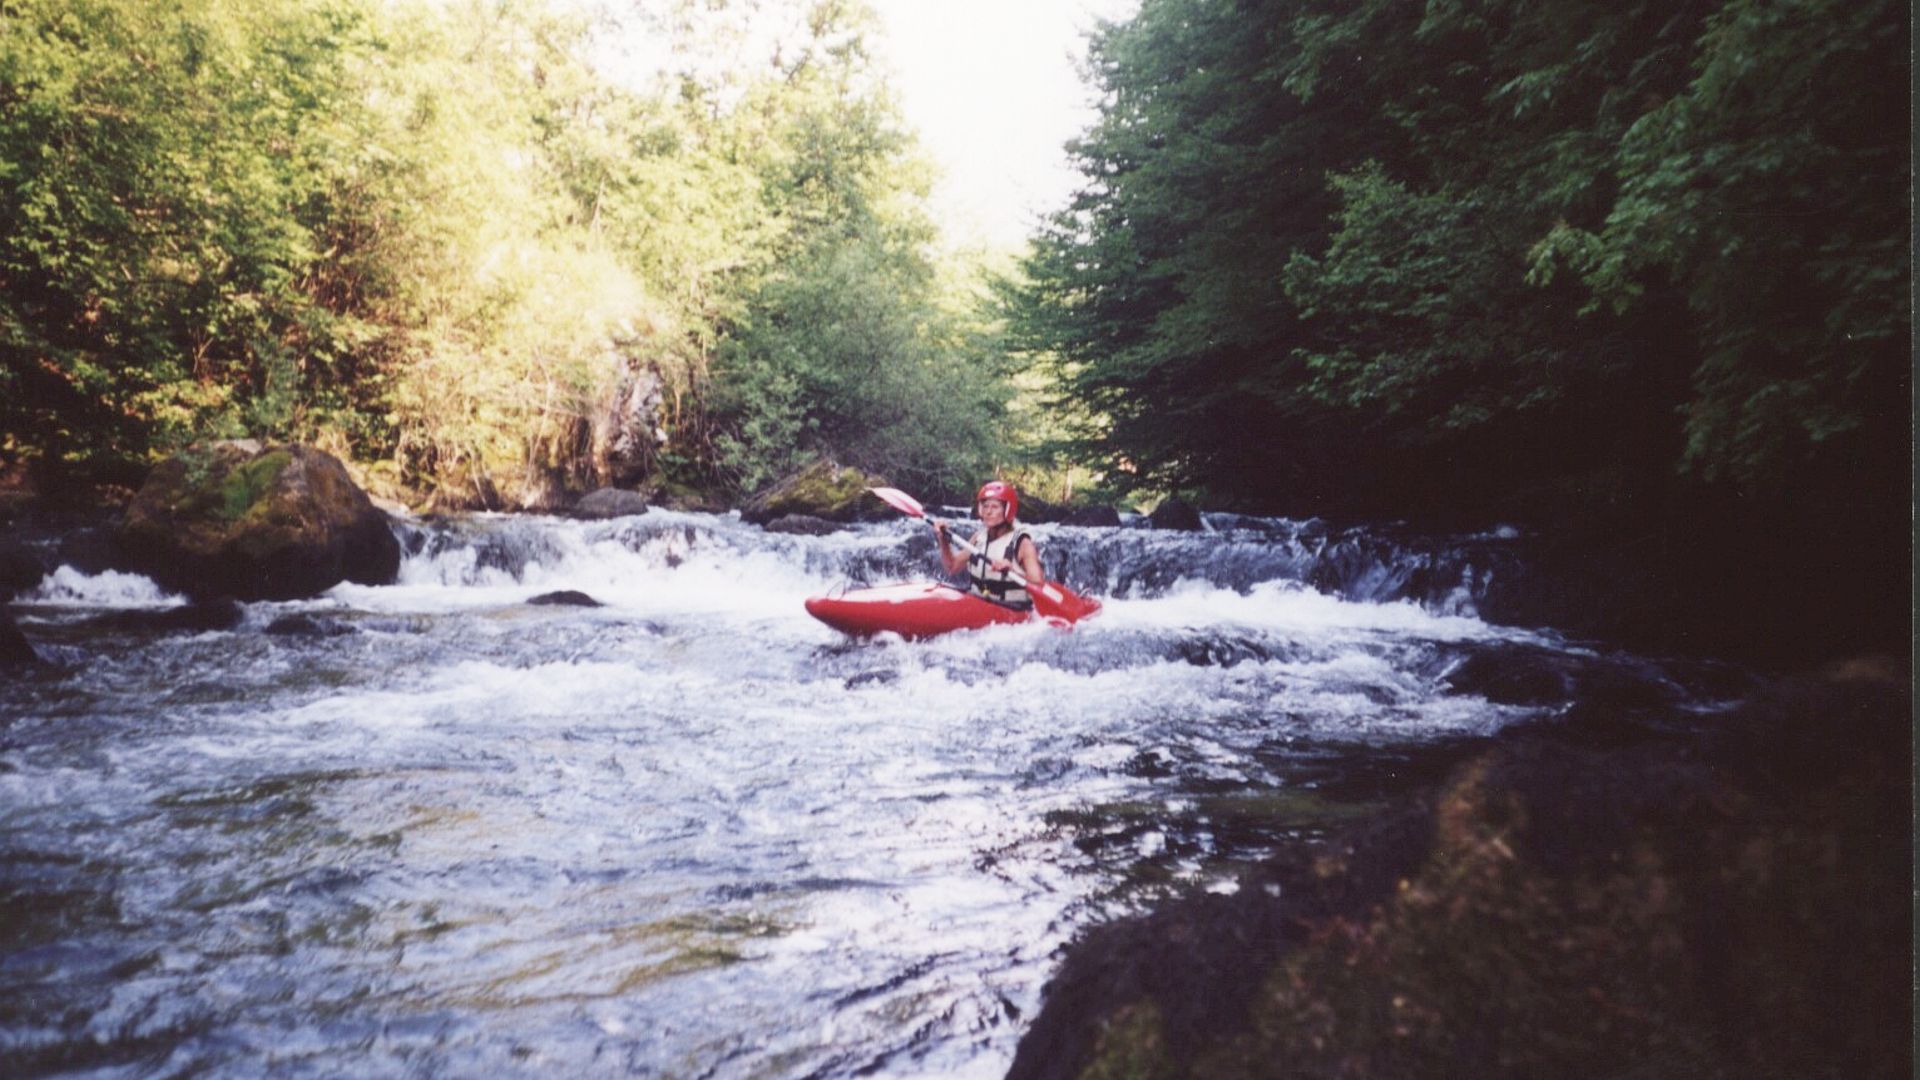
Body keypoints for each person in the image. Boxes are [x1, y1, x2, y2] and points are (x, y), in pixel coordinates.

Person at [934, 480, 1047, 610]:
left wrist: (1013, 571)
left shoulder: (1023, 544)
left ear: (1007, 510)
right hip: (978, 605)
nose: (988, 512)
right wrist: (943, 540)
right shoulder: (978, 538)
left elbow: (1039, 586)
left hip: (1011, 612)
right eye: (985, 506)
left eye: (994, 507)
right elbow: (952, 567)